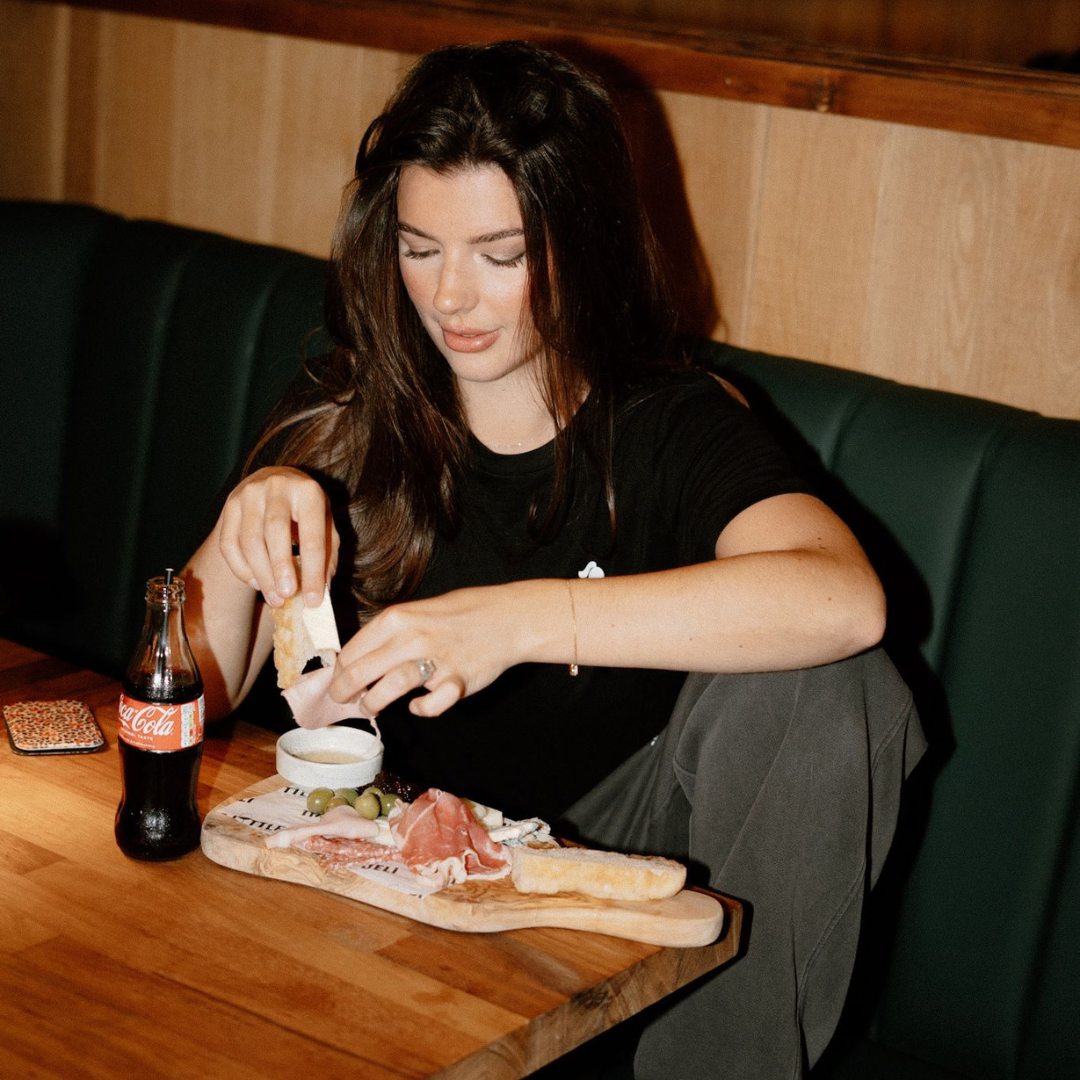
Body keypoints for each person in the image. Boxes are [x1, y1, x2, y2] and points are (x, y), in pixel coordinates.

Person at [184, 40, 924, 1079]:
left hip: (619, 851)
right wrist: (237, 529)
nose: (450, 298)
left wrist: (518, 619)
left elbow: (845, 601)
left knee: (835, 684)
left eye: (501, 253)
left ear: (582, 245)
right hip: (386, 854)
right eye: (419, 248)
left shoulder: (669, 425)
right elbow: (180, 694)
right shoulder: (349, 423)